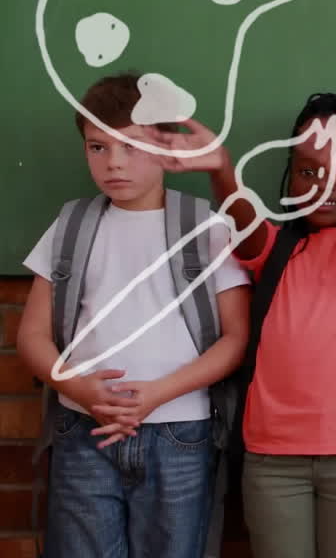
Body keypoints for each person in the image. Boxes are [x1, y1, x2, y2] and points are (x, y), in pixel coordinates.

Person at [17, 72, 251, 558]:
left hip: (180, 434)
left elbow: (235, 339)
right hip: (84, 430)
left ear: (167, 147)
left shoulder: (206, 225)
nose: (114, 163)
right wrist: (80, 389)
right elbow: (33, 335)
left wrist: (157, 395)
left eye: (131, 146)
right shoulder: (71, 225)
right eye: (97, 148)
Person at [159, 92, 336, 558]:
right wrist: (221, 170)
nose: (322, 183)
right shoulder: (275, 249)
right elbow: (245, 225)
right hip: (272, 461)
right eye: (308, 170)